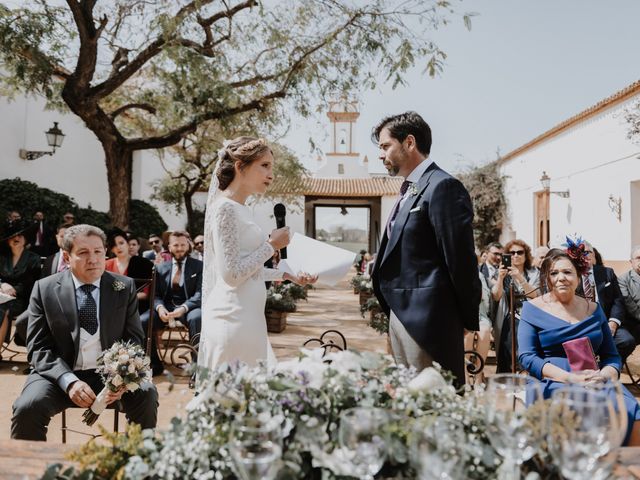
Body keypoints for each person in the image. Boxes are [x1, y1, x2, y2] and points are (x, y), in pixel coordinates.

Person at [11, 224, 158, 440]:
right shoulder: (44, 289)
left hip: (111, 376)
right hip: (59, 375)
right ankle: (32, 471)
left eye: (98, 251)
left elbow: (134, 340)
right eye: (83, 253)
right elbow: (39, 349)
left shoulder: (123, 286)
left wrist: (122, 377)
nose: (93, 259)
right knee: (28, 407)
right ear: (66, 256)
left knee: (146, 394)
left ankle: (139, 464)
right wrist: (69, 381)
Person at [370, 112, 480, 385]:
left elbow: (460, 259)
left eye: (385, 146)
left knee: (433, 401)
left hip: (430, 321)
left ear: (409, 143)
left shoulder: (443, 187)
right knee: (408, 402)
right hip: (399, 313)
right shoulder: (409, 189)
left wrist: (467, 319)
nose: (380, 155)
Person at [197, 136, 316, 371]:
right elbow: (232, 275)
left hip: (249, 316)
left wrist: (287, 276)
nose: (271, 175)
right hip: (232, 318)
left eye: (272, 167)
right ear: (241, 166)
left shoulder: (241, 209)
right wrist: (271, 245)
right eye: (265, 166)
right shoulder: (225, 209)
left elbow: (250, 271)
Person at [518, 247, 640, 445]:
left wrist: (604, 375)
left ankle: (624, 468)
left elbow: (611, 356)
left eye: (567, 272)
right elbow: (527, 356)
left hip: (594, 379)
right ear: (547, 277)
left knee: (629, 408)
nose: (561, 278)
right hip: (552, 379)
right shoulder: (532, 309)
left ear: (578, 275)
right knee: (573, 409)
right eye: (554, 273)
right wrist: (569, 378)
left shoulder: (594, 309)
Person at [143, 230, 202, 374]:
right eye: (176, 245)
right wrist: (160, 308)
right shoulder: (160, 267)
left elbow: (200, 294)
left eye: (183, 245)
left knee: (197, 318)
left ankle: (196, 368)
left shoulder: (199, 266)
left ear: (188, 246)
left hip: (189, 307)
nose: (180, 248)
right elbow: (155, 295)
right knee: (143, 320)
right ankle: (155, 364)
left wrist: (183, 308)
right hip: (167, 307)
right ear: (169, 247)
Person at [492, 239, 540, 373]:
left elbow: (534, 295)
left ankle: (523, 371)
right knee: (511, 326)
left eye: (520, 252)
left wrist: (519, 277)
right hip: (509, 316)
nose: (516, 255)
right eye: (512, 253)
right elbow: (496, 296)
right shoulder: (500, 272)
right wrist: (501, 278)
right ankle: (512, 371)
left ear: (526, 255)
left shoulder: (533, 273)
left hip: (530, 315)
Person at [582, 240, 635, 361]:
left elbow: (618, 300)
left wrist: (613, 323)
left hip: (606, 322)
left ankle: (608, 367)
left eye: (589, 252)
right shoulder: (572, 275)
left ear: (594, 256)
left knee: (627, 341)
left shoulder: (607, 273)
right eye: (582, 252)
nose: (586, 255)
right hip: (582, 325)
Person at [0, 220, 42, 348]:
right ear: (8, 241)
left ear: (26, 239)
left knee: (3, 309)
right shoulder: (2, 257)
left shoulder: (33, 258)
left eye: (20, 235)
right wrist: (2, 284)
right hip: (1, 294)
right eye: (12, 236)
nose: (16, 238)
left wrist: (13, 289)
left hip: (22, 298)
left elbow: (31, 282)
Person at [105, 228, 154, 314]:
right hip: (111, 308)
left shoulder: (144, 264)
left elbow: (145, 294)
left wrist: (124, 298)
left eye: (121, 243)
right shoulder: (106, 265)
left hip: (137, 308)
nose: (118, 247)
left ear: (127, 244)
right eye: (114, 245)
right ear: (111, 249)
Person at [618, 245, 640, 353]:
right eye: (638, 258)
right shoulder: (623, 279)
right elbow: (630, 306)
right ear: (631, 261)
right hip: (632, 323)